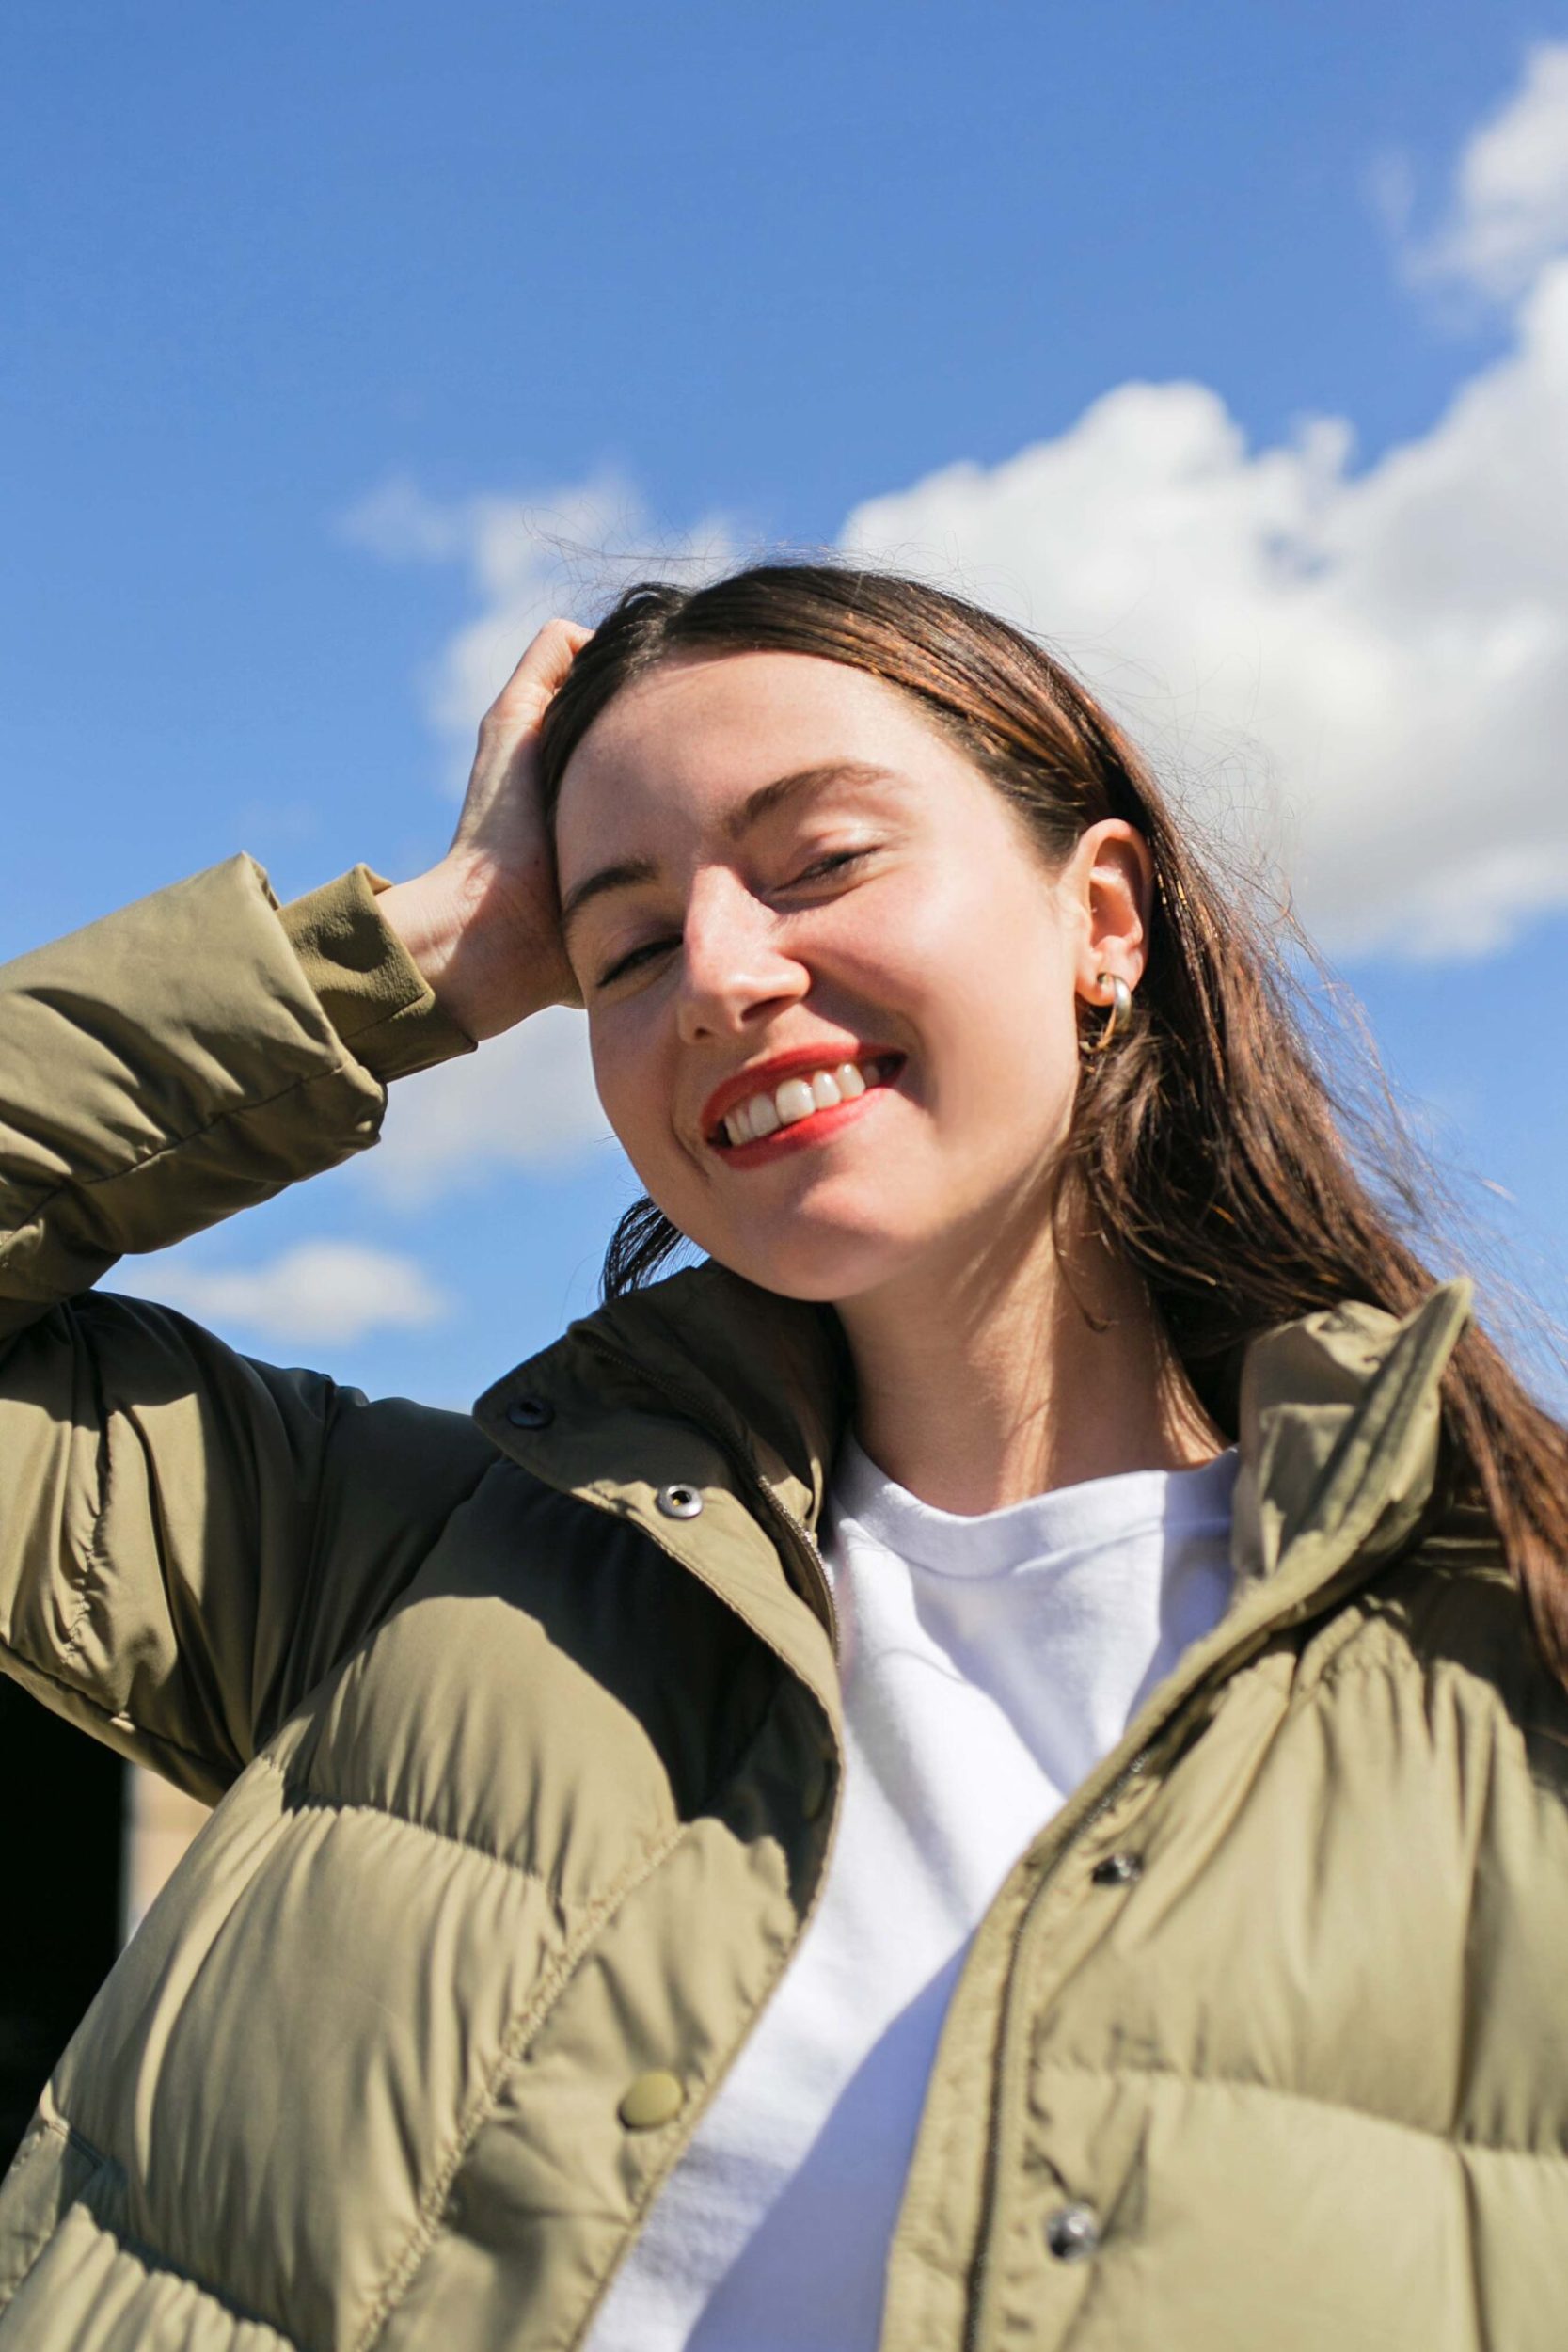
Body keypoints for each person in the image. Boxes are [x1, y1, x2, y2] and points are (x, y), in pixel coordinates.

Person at [0, 561, 1565, 2352]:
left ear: (1103, 920)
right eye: (629, 944)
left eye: (821, 861)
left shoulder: (1514, 1647)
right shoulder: (393, 1564)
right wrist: (423, 954)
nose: (725, 978)